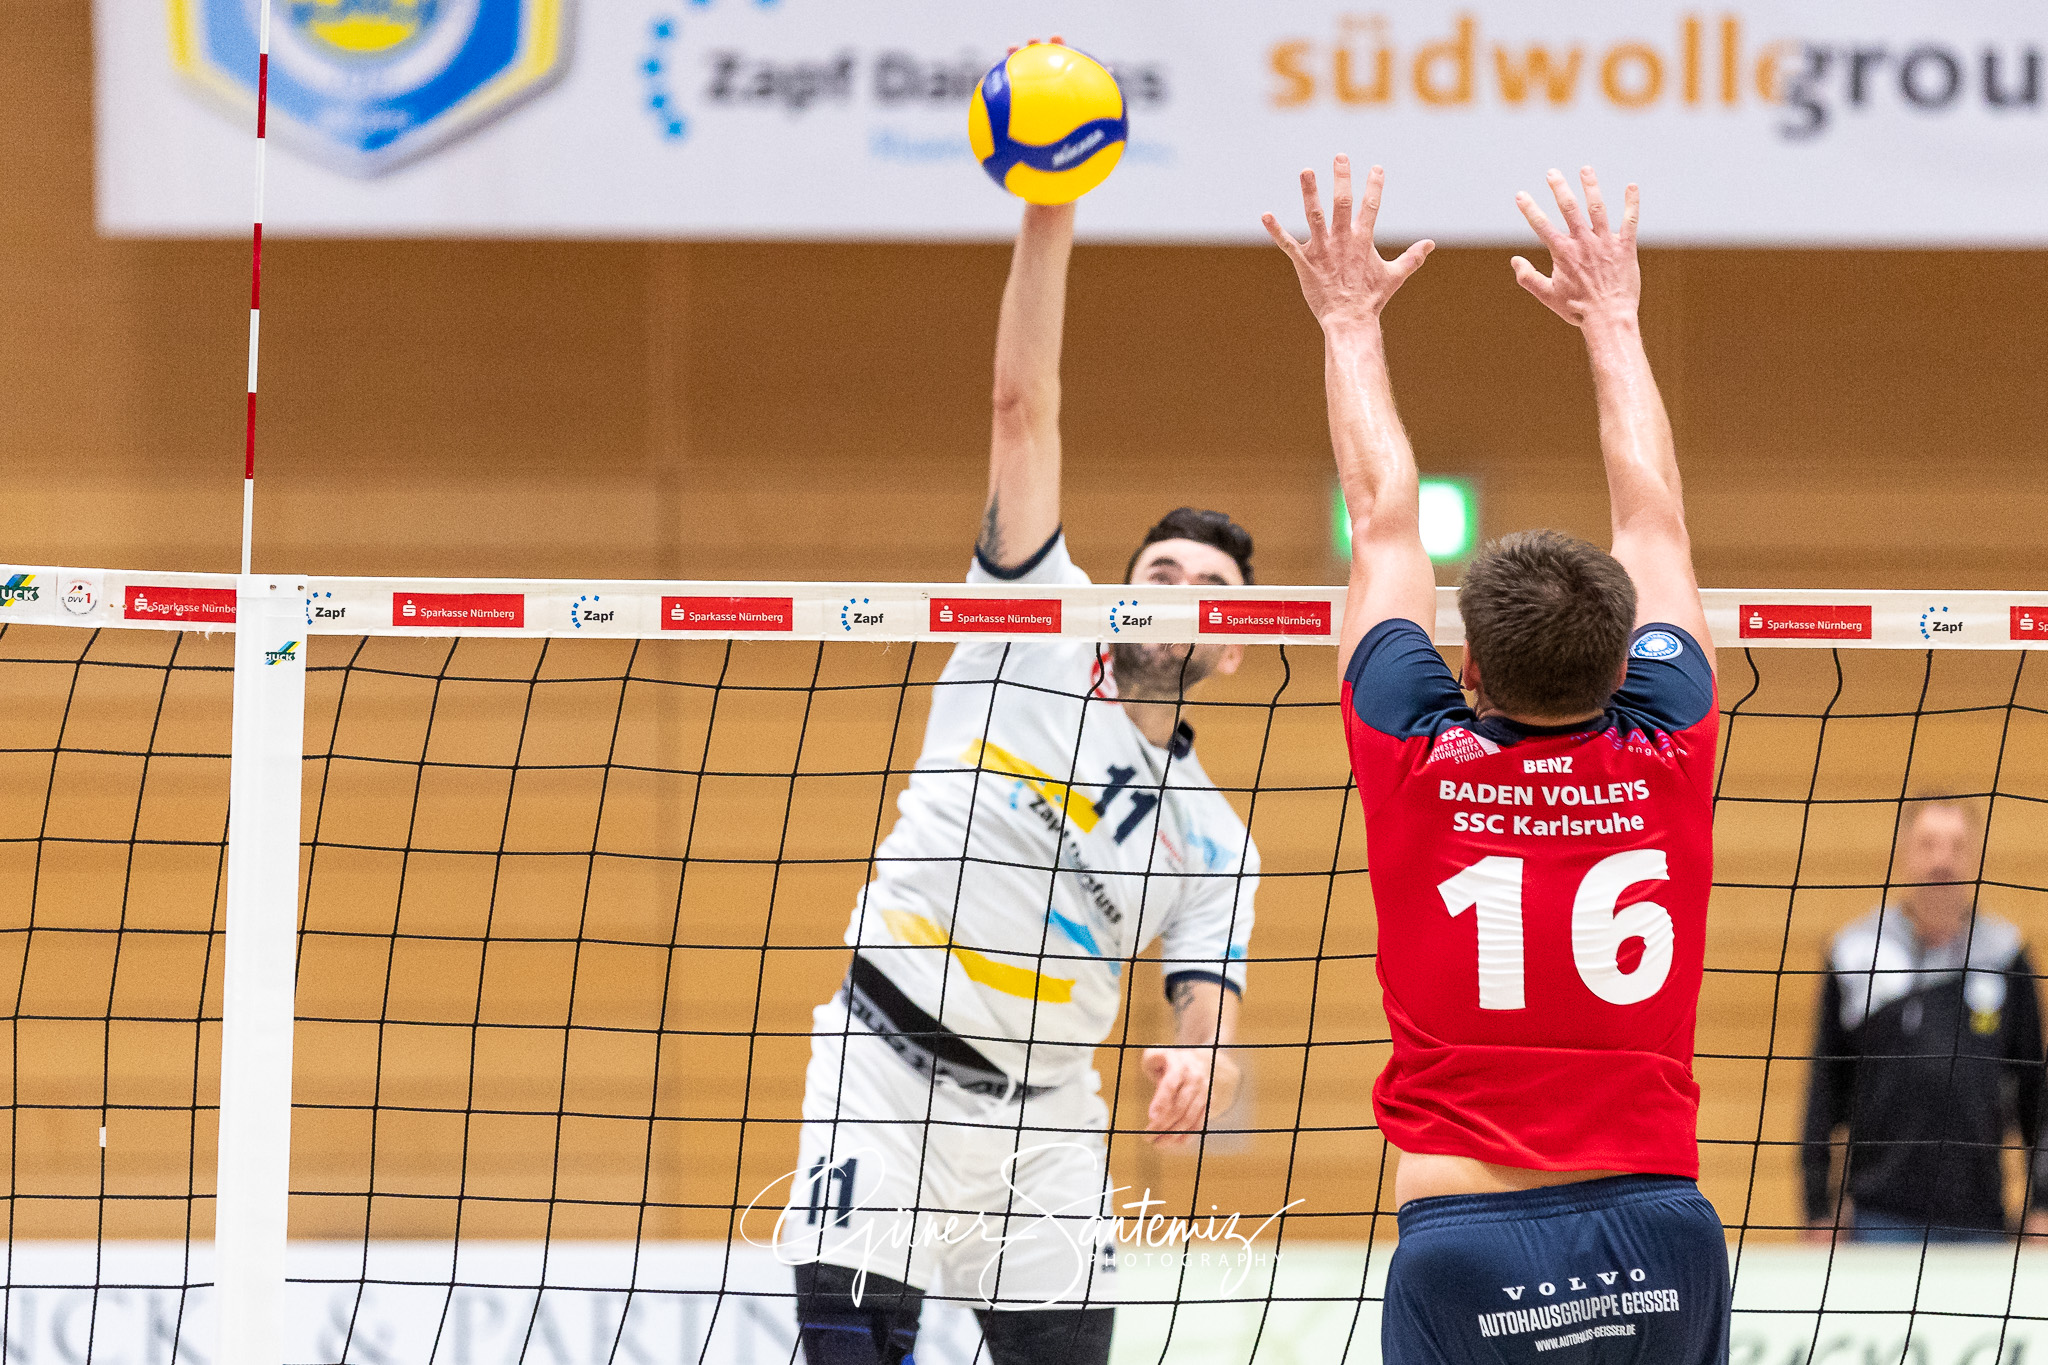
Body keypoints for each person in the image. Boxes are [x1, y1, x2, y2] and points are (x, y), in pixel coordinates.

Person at [770, 194, 1262, 1364]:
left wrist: (1203, 1051)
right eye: (1158, 566)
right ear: (1113, 585)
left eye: (1207, 586)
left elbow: (1206, 984)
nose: (1174, 587)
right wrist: (1050, 209)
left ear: (1232, 649)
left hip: (1044, 1125)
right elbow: (1020, 406)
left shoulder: (1216, 844)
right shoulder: (1028, 629)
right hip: (879, 1071)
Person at [1266, 158, 1731, 1362]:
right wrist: (1613, 318)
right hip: (1660, 1229)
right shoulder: (1667, 741)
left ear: (1466, 670)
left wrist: (1347, 319)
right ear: (1625, 654)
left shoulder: (1417, 755)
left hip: (1462, 1234)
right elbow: (1655, 521)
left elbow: (1381, 514)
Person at [1801, 798, 2048, 1243]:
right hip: (1878, 1217)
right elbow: (1825, 1087)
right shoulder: (1855, 953)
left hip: (1981, 1219)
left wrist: (2044, 1205)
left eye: (1956, 846)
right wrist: (1818, 1208)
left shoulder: (2006, 955)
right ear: (1905, 854)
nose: (1942, 860)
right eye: (1929, 844)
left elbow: (2037, 1095)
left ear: (1974, 858)